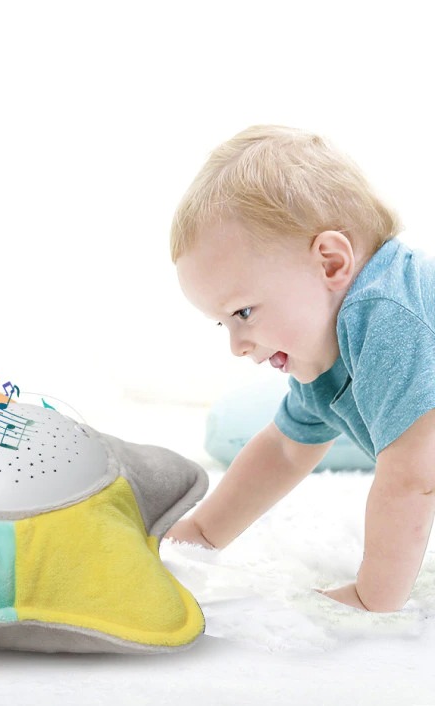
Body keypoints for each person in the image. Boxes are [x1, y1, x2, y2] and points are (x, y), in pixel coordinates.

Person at [165, 125, 435, 612]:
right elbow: (286, 450)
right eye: (224, 323)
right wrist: (201, 533)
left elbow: (412, 477)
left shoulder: (385, 315)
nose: (237, 345)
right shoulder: (322, 356)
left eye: (244, 312)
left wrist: (374, 595)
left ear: (330, 264)